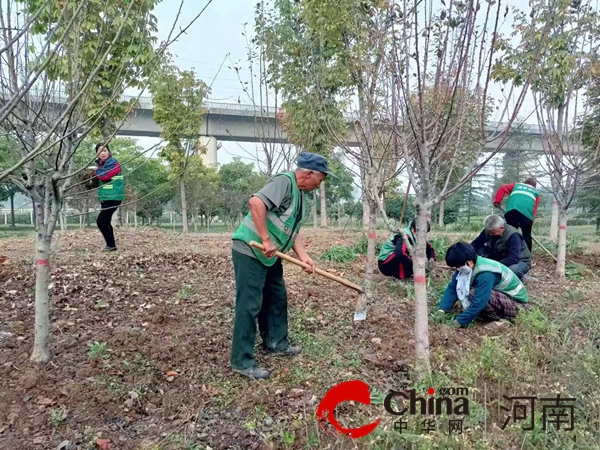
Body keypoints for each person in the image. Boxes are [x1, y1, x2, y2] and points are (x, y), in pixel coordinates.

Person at [230, 152, 336, 379]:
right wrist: (266, 238)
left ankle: (276, 342)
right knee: (249, 305)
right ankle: (241, 361)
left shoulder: (299, 194)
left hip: (270, 255)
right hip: (251, 250)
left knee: (276, 296)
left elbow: (290, 229)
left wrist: (304, 256)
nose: (322, 183)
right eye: (322, 177)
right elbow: (255, 202)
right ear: (309, 173)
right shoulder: (284, 182)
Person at [433, 242, 530, 329]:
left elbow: (479, 302)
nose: (456, 269)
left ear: (469, 262)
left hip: (518, 305)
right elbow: (453, 286)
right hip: (502, 297)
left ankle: (504, 319)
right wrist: (442, 309)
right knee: (472, 293)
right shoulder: (467, 266)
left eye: (457, 266)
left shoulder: (485, 274)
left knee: (472, 294)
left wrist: (458, 322)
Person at [470, 215, 531, 280]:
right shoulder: (489, 230)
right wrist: (466, 253)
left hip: (519, 260)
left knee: (513, 270)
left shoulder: (513, 236)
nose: (490, 234)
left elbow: (514, 258)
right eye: (489, 232)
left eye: (493, 233)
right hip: (499, 255)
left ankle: (519, 277)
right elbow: (476, 244)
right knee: (478, 250)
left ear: (501, 228)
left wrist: (494, 265)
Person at [494, 177, 540, 254]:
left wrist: (497, 201)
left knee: (511, 233)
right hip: (526, 216)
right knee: (526, 236)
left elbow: (502, 188)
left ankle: (508, 254)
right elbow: (534, 210)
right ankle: (527, 257)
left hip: (511, 211)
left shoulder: (516, 185)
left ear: (525, 183)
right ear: (534, 186)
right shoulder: (536, 193)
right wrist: (530, 222)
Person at [94, 143, 124, 252]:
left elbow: (105, 176)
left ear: (109, 152)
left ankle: (111, 245)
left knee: (101, 221)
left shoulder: (113, 162)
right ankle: (111, 245)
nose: (103, 153)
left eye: (105, 150)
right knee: (106, 221)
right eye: (100, 151)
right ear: (97, 154)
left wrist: (95, 170)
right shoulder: (102, 165)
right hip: (106, 197)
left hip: (114, 197)